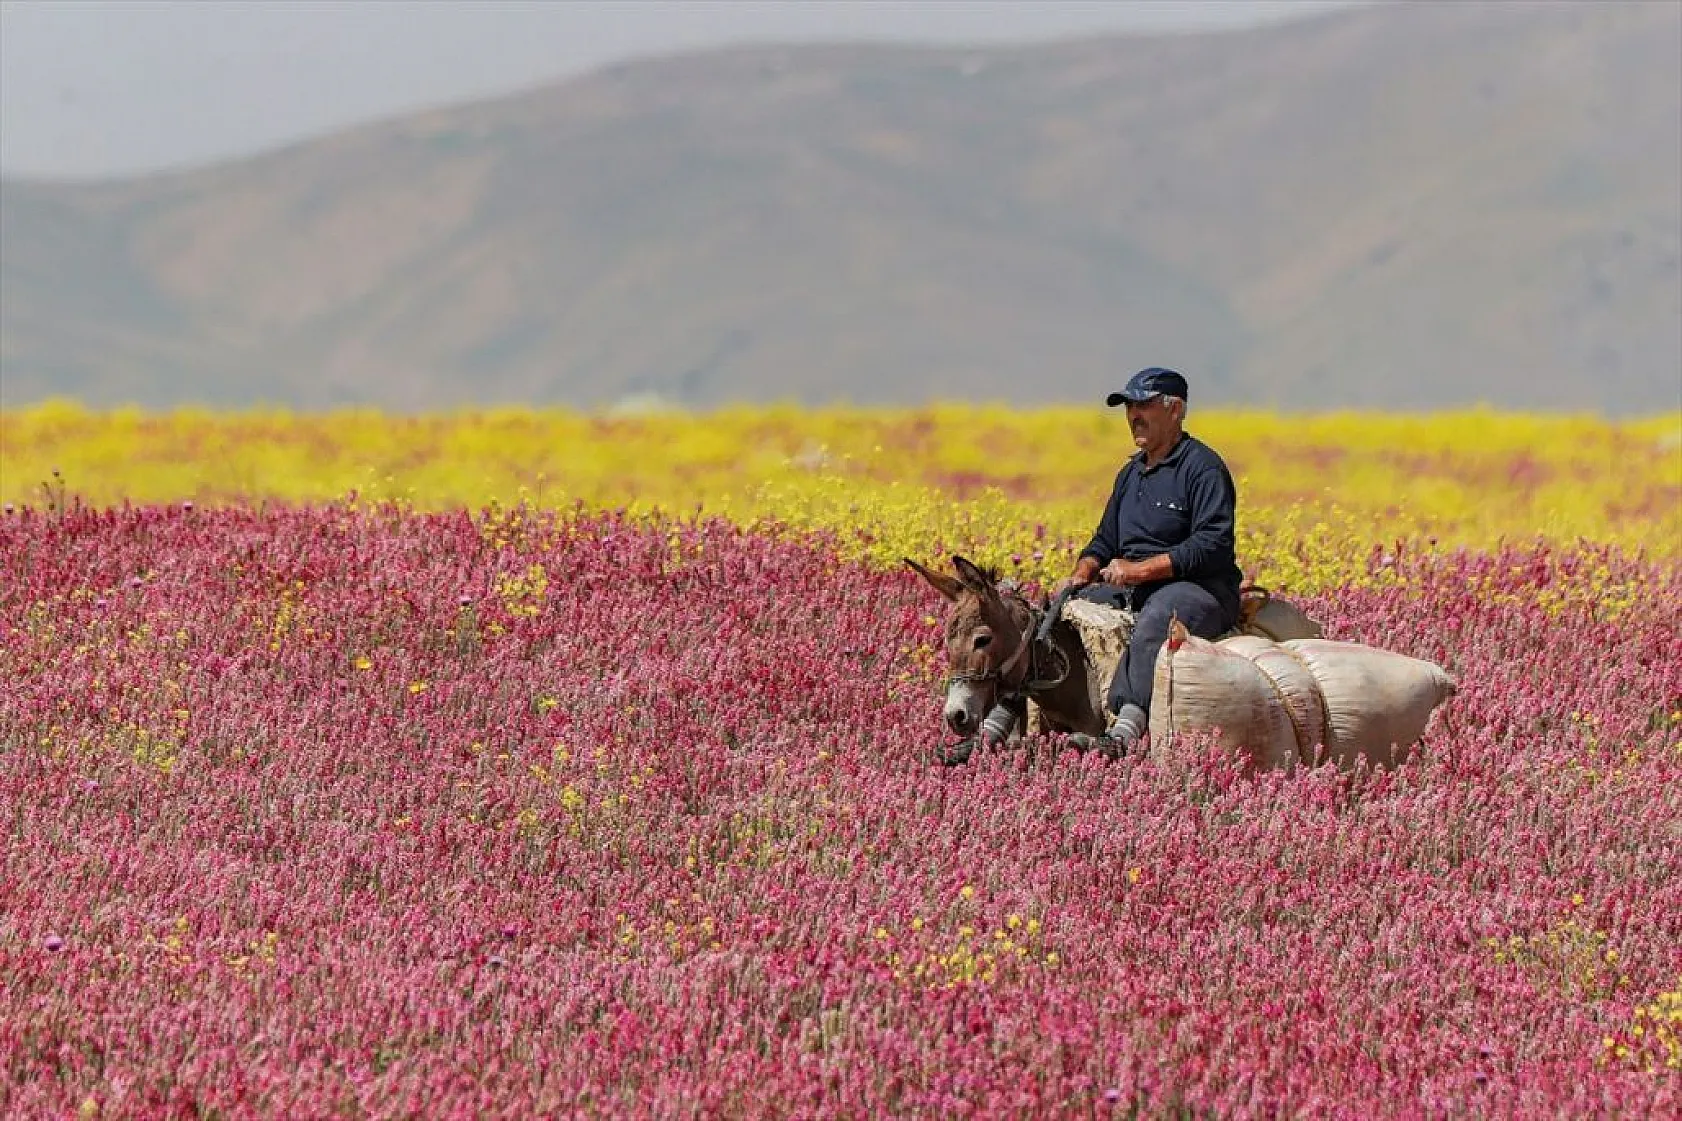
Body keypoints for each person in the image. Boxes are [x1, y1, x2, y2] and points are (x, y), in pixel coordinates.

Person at [1050, 367, 1244, 753]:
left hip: (1200, 588)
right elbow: (1105, 539)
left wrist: (1140, 570)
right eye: (1129, 407)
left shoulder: (1202, 468)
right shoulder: (1131, 474)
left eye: (1144, 405)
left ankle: (1127, 727)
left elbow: (1212, 543)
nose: (1134, 415)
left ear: (1175, 411)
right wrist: (1083, 570)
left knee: (1159, 616)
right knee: (1053, 611)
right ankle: (1000, 722)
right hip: (1133, 587)